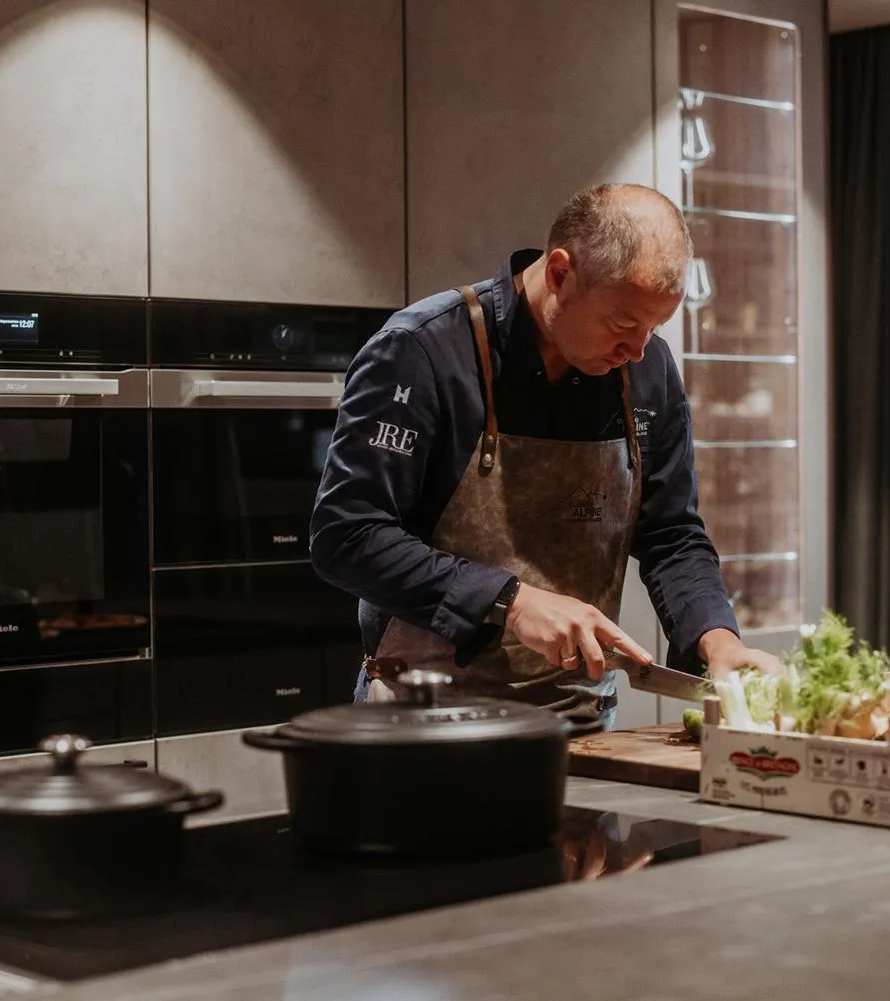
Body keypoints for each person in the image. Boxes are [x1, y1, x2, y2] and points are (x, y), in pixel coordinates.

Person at [309, 182, 781, 727]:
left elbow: (671, 532)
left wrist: (716, 639)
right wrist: (511, 600)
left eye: (655, 328)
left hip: (578, 722)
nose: (639, 350)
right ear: (560, 273)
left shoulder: (647, 370)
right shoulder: (422, 351)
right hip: (426, 725)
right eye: (624, 324)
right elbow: (347, 535)